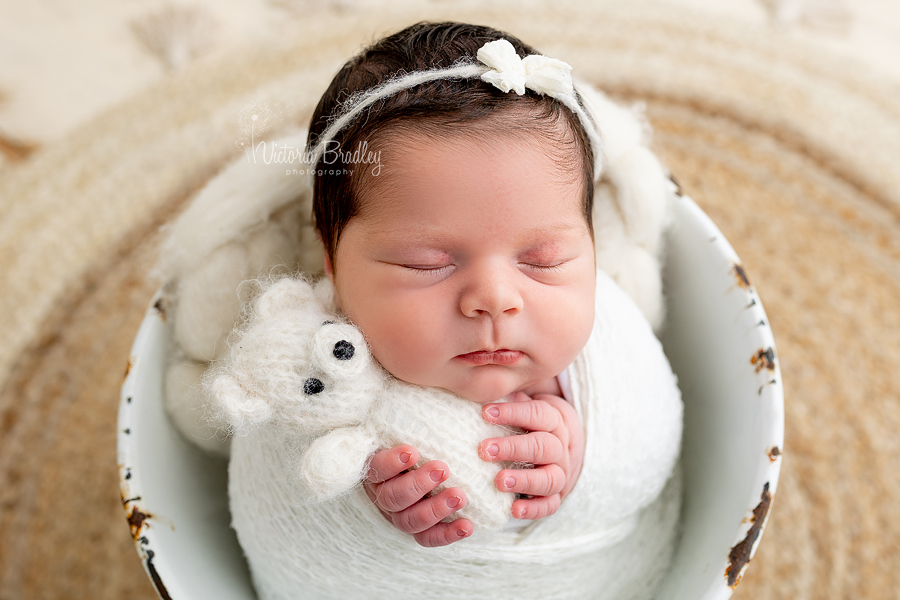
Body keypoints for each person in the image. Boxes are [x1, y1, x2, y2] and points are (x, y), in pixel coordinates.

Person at [306, 21, 597, 548]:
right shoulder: (312, 361)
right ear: (331, 262)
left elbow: (645, 436)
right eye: (425, 264)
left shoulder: (598, 362)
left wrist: (583, 454)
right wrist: (357, 496)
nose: (495, 300)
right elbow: (286, 475)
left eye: (543, 260)